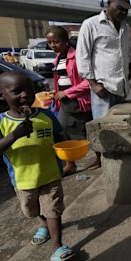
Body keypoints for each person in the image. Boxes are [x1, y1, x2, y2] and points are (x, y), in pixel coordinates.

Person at [0, 71, 75, 261]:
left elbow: (59, 137)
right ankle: (43, 224)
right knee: (32, 210)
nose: (25, 96)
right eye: (17, 92)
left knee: (53, 209)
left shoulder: (46, 115)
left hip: (50, 175)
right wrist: (14, 135)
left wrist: (69, 156)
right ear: (2, 96)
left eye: (29, 91)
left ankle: (57, 246)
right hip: (23, 179)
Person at [76, 0, 131, 169]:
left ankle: (118, 157)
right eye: (120, 8)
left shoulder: (126, 28)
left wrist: (130, 70)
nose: (123, 12)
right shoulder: (91, 24)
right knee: (101, 125)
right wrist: (93, 84)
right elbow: (83, 56)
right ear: (108, 4)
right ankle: (100, 158)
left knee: (121, 126)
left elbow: (129, 52)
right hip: (103, 86)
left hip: (122, 86)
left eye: (126, 9)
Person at [47, 26, 95, 174]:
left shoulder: (78, 56)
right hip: (65, 102)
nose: (53, 45)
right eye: (50, 42)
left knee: (86, 132)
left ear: (66, 41)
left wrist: (67, 92)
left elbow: (89, 81)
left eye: (56, 41)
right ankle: (70, 163)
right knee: (62, 133)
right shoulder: (58, 57)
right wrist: (56, 92)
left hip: (79, 102)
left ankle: (99, 158)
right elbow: (64, 79)